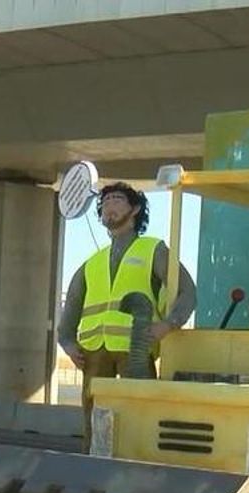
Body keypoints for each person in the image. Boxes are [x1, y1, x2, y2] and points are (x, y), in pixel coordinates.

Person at [56, 182, 197, 450]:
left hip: (136, 349)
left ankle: (142, 465)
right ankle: (93, 463)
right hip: (94, 353)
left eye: (118, 199)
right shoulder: (92, 263)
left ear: (135, 210)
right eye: (106, 201)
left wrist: (169, 324)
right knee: (94, 421)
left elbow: (187, 291)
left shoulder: (153, 250)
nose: (109, 204)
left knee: (142, 416)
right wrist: (68, 343)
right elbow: (71, 307)